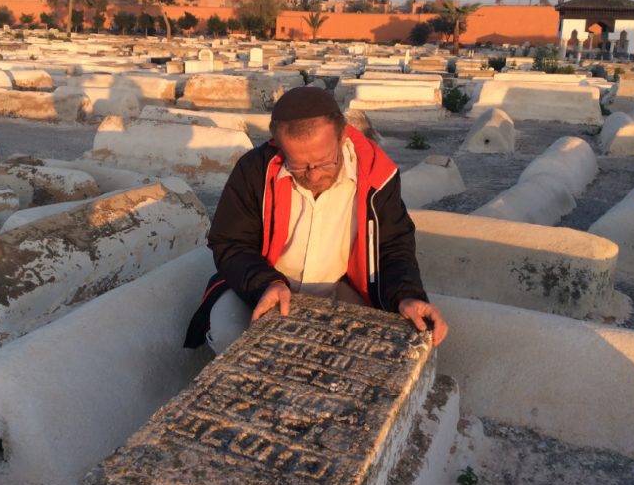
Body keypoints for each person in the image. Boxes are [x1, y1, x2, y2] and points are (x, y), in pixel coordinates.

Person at [184, 86, 448, 353]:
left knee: (373, 348)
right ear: (279, 144)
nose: (313, 175)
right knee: (227, 332)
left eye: (323, 162)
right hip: (263, 285)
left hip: (339, 288)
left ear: (343, 136)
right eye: (298, 165)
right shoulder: (254, 170)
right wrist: (267, 284)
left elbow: (393, 246)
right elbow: (230, 242)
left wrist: (406, 295)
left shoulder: (377, 175)